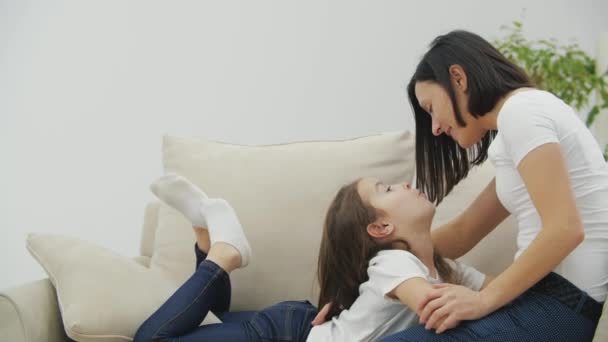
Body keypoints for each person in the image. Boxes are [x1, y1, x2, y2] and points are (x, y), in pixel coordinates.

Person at [379, 30, 607, 341]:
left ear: (458, 79)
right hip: (542, 302)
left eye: (431, 108)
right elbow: (462, 233)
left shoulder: (523, 112)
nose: (434, 128)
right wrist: (369, 256)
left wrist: (482, 300)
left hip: (558, 308)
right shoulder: (515, 129)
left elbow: (565, 229)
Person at [133, 173, 489, 341]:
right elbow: (430, 304)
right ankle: (223, 254)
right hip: (286, 335)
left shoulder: (444, 268)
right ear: (380, 228)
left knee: (211, 320)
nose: (406, 185)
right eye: (389, 189)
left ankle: (206, 236)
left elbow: (494, 292)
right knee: (150, 341)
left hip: (296, 328)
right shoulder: (396, 263)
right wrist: (477, 302)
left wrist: (487, 297)